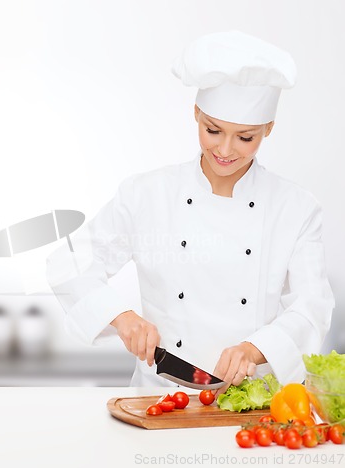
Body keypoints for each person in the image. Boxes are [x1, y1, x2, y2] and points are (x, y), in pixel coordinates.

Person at [46, 31, 335, 390]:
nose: (226, 150)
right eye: (213, 130)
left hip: (249, 401)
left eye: (246, 137)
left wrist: (255, 349)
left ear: (268, 128)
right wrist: (121, 317)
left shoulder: (296, 208)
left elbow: (313, 306)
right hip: (161, 397)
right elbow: (69, 263)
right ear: (196, 113)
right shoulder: (146, 194)